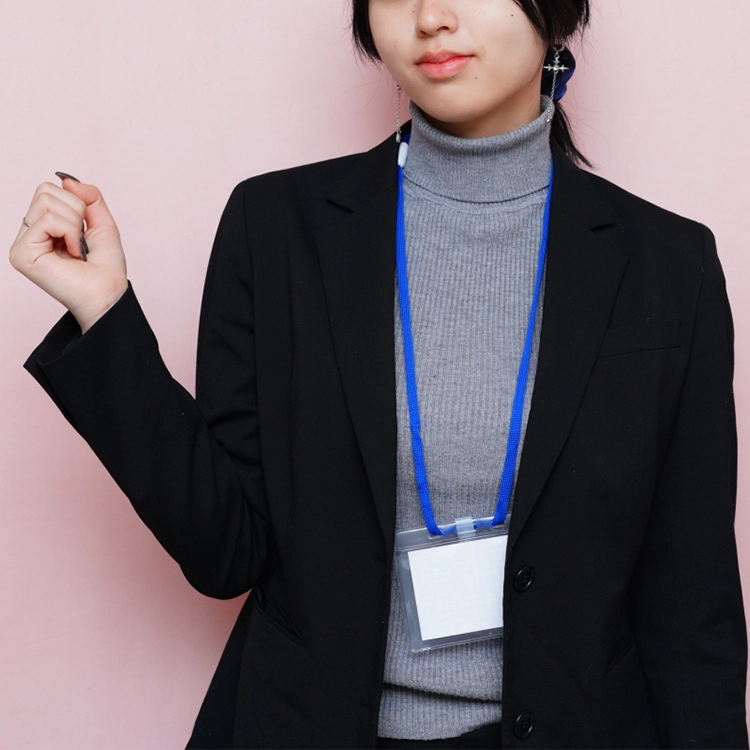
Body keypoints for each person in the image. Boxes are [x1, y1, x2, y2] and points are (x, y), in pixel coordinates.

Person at [9, 0, 748, 748]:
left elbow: (694, 603)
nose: (431, 17)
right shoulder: (276, 228)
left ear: (555, 17)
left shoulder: (669, 266)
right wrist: (104, 316)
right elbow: (226, 550)